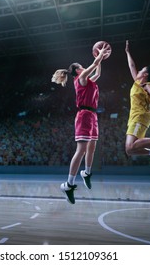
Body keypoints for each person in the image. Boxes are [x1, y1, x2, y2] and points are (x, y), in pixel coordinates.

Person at [51, 46, 109, 204]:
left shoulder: (88, 80)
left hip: (92, 115)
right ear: (77, 70)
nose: (84, 67)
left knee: (92, 147)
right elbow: (94, 66)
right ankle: (68, 184)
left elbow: (97, 72)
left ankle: (87, 173)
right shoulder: (81, 78)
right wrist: (100, 54)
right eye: (82, 66)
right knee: (81, 149)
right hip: (83, 115)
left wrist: (100, 59)